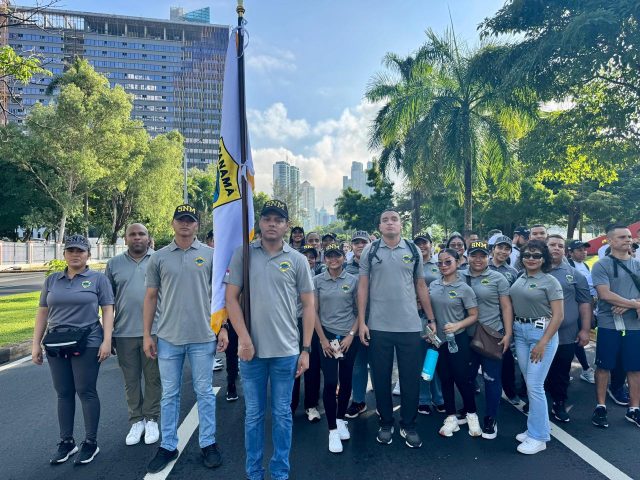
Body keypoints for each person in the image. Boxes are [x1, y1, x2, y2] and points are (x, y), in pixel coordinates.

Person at [225, 199, 315, 480]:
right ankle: (254, 472)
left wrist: (306, 349)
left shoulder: (298, 260)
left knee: (282, 415)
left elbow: (309, 305)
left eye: (278, 220)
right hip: (251, 352)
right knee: (253, 415)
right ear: (259, 223)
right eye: (267, 219)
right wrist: (244, 338)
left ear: (287, 226)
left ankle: (279, 472)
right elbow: (231, 298)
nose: (272, 224)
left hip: (286, 351)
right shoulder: (244, 254)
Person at [143, 204, 229, 473]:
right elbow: (150, 297)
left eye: (190, 220)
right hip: (168, 337)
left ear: (197, 225)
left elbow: (221, 296)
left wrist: (223, 327)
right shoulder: (158, 258)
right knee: (169, 394)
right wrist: (147, 334)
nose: (185, 224)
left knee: (204, 392)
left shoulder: (211, 255)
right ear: (172, 223)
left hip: (203, 336)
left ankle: (208, 442)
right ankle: (168, 445)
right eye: (180, 219)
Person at [32, 234, 114, 465]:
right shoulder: (52, 280)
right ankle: (67, 442)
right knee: (63, 392)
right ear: (64, 254)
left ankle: (91, 443)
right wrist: (35, 343)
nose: (75, 254)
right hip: (57, 341)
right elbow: (43, 311)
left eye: (80, 251)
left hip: (88, 340)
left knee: (85, 390)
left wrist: (107, 340)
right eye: (71, 250)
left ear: (88, 254)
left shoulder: (98, 279)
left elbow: (108, 309)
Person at [358, 210, 436, 448]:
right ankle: (385, 422)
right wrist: (362, 321)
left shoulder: (412, 250)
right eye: (385, 220)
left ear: (401, 225)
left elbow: (420, 285)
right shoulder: (370, 251)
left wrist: (431, 319)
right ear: (380, 227)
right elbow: (363, 287)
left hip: (410, 326)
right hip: (378, 325)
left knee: (410, 378)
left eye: (394, 219)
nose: (390, 223)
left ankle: (409, 425)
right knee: (380, 378)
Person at [105, 224, 161, 446]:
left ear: (148, 237)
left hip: (155, 331)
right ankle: (136, 420)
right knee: (131, 380)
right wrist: (108, 334)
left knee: (153, 378)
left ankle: (151, 418)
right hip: (124, 332)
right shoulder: (113, 264)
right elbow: (107, 303)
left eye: (141, 234)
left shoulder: (159, 259)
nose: (137, 237)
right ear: (125, 238)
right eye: (132, 234)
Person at [510, 240, 564, 454]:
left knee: (534, 385)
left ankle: (539, 437)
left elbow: (558, 316)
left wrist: (543, 342)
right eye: (527, 255)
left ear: (544, 259)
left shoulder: (550, 281)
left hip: (541, 334)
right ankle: (536, 428)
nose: (531, 259)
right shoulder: (520, 277)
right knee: (530, 383)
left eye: (536, 255)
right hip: (520, 332)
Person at [461, 241, 513, 439]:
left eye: (482, 255)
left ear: (488, 256)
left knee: (491, 378)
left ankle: (491, 417)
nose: (478, 259)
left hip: (491, 335)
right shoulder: (459, 275)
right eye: (474, 255)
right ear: (467, 257)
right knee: (466, 377)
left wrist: (507, 334)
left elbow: (506, 307)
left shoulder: (497, 278)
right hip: (466, 335)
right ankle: (468, 410)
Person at [591, 223, 640, 429]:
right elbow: (604, 294)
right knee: (604, 366)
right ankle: (600, 406)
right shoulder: (601, 265)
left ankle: (634, 409)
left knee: (635, 368)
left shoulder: (638, 265)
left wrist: (631, 303)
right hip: (609, 324)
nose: (628, 240)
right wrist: (634, 304)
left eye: (629, 236)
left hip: (634, 325)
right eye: (622, 237)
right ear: (610, 241)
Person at [429, 248, 481, 437]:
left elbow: (474, 315)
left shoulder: (464, 288)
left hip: (457, 339)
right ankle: (451, 416)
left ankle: (471, 414)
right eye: (440, 262)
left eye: (448, 261)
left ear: (458, 262)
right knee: (445, 378)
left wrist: (458, 325)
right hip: (438, 340)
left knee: (462, 378)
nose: (443, 265)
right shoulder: (433, 285)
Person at [314, 243, 359, 453]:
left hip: (349, 337)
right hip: (327, 336)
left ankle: (341, 419)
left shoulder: (353, 280)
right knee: (331, 381)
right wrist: (322, 339)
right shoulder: (317, 281)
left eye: (337, 255)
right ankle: (332, 429)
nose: (333, 259)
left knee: (347, 379)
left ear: (343, 257)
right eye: (329, 256)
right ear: (325, 259)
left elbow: (360, 311)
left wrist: (351, 335)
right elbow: (313, 312)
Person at [544, 235, 592, 423]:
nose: (556, 248)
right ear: (545, 247)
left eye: (560, 245)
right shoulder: (532, 269)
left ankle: (559, 402)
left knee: (562, 371)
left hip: (565, 334)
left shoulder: (575, 275)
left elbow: (585, 304)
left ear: (565, 250)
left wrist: (585, 330)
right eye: (552, 245)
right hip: (537, 333)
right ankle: (536, 402)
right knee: (538, 371)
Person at [488, 235, 523, 405]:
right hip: (483, 320)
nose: (503, 251)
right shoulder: (481, 266)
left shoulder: (513, 272)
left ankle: (509, 390)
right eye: (500, 247)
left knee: (507, 358)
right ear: (493, 249)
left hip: (504, 322)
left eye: (507, 248)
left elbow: (515, 298)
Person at [414, 232, 444, 414]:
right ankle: (423, 398)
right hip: (417, 317)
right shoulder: (410, 264)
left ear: (431, 244)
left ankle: (438, 397)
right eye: (417, 243)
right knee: (420, 359)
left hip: (436, 317)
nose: (421, 246)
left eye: (424, 243)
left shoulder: (439, 264)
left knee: (434, 358)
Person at [292, 244, 323, 422]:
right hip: (294, 323)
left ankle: (311, 405)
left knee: (312, 366)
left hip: (313, 325)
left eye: (311, 257)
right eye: (305, 256)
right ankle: (291, 405)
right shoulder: (291, 274)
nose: (308, 260)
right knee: (293, 365)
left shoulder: (318, 278)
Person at [345, 231, 373, 418]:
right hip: (355, 323)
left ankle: (383, 403)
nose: (360, 245)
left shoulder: (378, 265)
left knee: (380, 365)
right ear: (352, 246)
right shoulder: (345, 269)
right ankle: (358, 401)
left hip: (379, 322)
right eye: (357, 242)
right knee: (358, 364)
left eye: (364, 242)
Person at [566, 239, 596, 383]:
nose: (584, 252)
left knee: (577, 339)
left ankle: (582, 369)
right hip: (572, 307)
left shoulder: (585, 265)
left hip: (584, 306)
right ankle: (584, 368)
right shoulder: (567, 265)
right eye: (579, 250)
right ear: (570, 252)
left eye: (584, 249)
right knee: (573, 339)